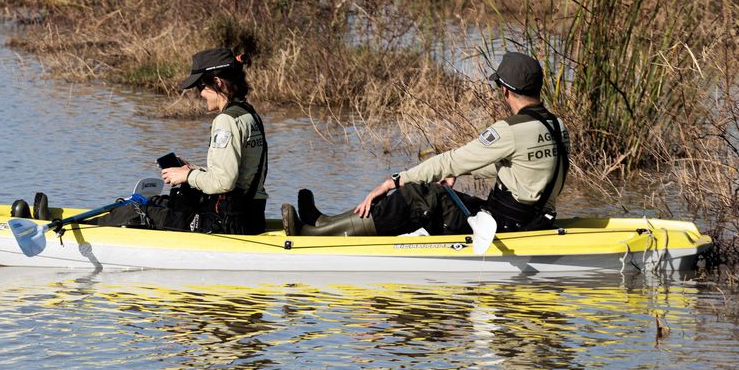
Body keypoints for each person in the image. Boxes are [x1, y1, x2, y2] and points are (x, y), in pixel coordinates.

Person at [283, 51, 568, 238]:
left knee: (417, 197)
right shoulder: (557, 126)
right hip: (532, 221)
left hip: (502, 227)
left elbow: (449, 160)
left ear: (504, 90)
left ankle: (313, 236)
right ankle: (324, 221)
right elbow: (526, 171)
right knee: (432, 195)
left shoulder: (510, 130)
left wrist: (393, 181)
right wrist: (467, 172)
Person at [150, 47, 270, 234]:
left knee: (148, 212)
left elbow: (224, 183)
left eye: (201, 87)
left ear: (217, 82)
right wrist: (193, 170)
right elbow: (239, 176)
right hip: (253, 215)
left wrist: (187, 177)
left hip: (229, 222)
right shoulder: (249, 114)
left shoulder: (225, 121)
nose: (201, 94)